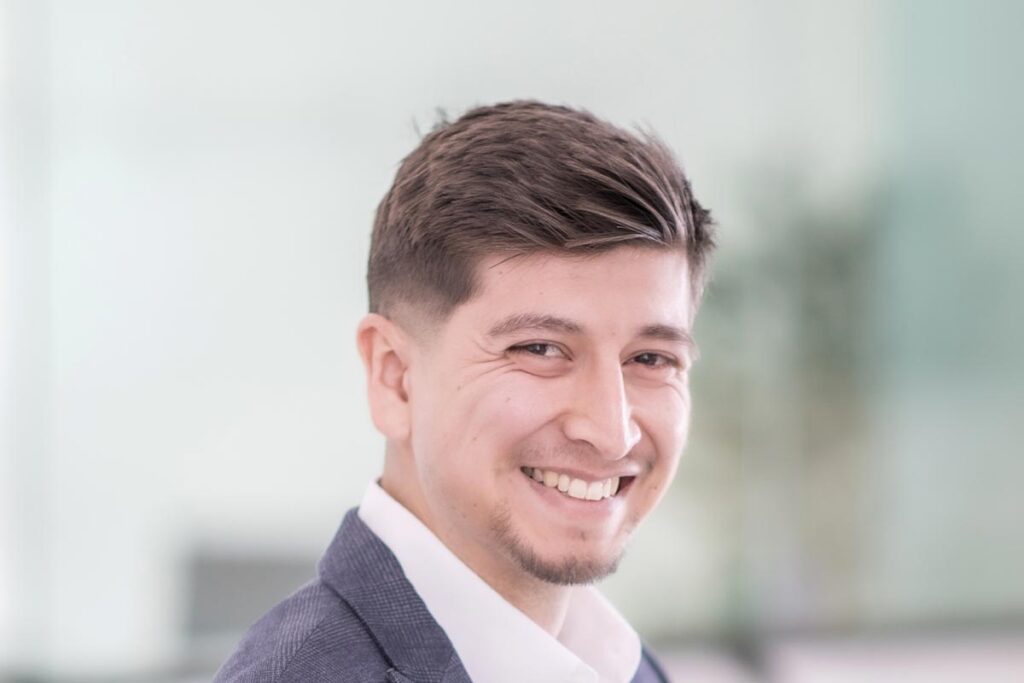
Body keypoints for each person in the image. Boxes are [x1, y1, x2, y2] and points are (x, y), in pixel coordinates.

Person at [214, 100, 715, 683]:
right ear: (394, 377)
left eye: (651, 358)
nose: (611, 430)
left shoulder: (627, 666)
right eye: (540, 349)